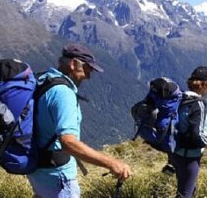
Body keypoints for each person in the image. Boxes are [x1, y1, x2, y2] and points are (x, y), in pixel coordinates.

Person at [27, 44, 132, 198]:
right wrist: (112, 163)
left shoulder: (45, 79)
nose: (89, 75)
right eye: (88, 68)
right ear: (73, 63)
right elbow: (68, 143)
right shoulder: (64, 94)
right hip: (58, 177)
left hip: (39, 170)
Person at [169, 66, 207, 198]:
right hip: (189, 157)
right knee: (185, 194)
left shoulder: (181, 98)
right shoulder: (198, 104)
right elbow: (197, 136)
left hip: (175, 153)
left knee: (185, 190)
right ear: (205, 84)